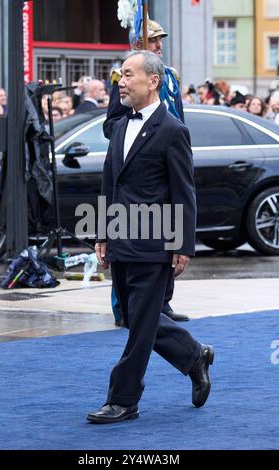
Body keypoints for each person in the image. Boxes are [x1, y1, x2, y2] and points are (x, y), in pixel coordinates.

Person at [87, 51, 214, 424]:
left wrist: (181, 245)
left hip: (155, 242)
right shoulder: (121, 125)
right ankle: (194, 355)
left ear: (153, 81)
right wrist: (103, 232)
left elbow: (183, 192)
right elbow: (110, 182)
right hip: (122, 237)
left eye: (128, 75)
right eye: (120, 75)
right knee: (134, 318)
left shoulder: (173, 130)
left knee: (140, 328)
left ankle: (123, 399)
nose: (120, 82)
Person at [104, 19, 188, 324]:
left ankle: (161, 304)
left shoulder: (170, 78)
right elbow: (111, 123)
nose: (160, 45)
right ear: (139, 43)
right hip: (136, 162)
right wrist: (135, 129)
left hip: (165, 158)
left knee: (164, 241)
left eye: (161, 40)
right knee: (126, 250)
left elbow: (179, 116)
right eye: (153, 40)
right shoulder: (123, 81)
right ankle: (124, 308)